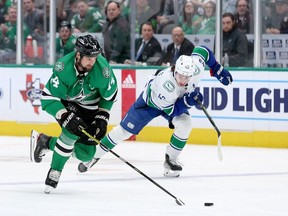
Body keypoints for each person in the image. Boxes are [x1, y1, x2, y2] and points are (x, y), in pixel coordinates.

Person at [78, 45, 233, 177]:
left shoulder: (195, 68)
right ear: (175, 69)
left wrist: (216, 68)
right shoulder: (166, 84)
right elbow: (171, 111)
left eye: (187, 77)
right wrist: (187, 101)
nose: (183, 80)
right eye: (181, 75)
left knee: (185, 124)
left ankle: (170, 161)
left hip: (174, 102)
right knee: (123, 132)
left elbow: (202, 51)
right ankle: (93, 156)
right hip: (150, 103)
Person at [30, 34, 118, 193]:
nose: (93, 61)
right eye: (89, 58)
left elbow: (109, 96)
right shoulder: (63, 68)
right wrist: (64, 116)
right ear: (79, 55)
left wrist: (102, 117)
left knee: (86, 154)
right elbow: (48, 98)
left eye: (95, 57)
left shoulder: (103, 71)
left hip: (91, 107)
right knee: (70, 133)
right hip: (69, 104)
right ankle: (55, 170)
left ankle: (46, 141)